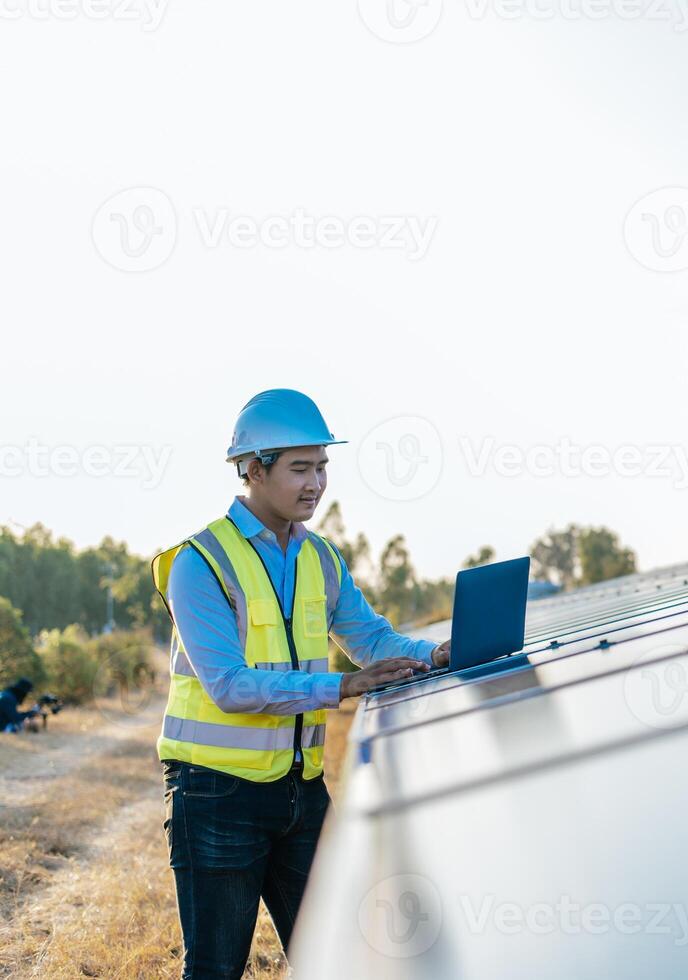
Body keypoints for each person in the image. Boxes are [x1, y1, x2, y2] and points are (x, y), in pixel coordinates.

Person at [153, 389, 452, 979]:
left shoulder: (321, 558)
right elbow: (230, 686)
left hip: (302, 793)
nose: (316, 483)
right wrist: (341, 689)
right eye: (300, 468)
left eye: (322, 467)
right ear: (254, 469)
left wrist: (437, 655)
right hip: (217, 798)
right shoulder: (200, 563)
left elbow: (372, 639)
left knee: (338, 960)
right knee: (215, 970)